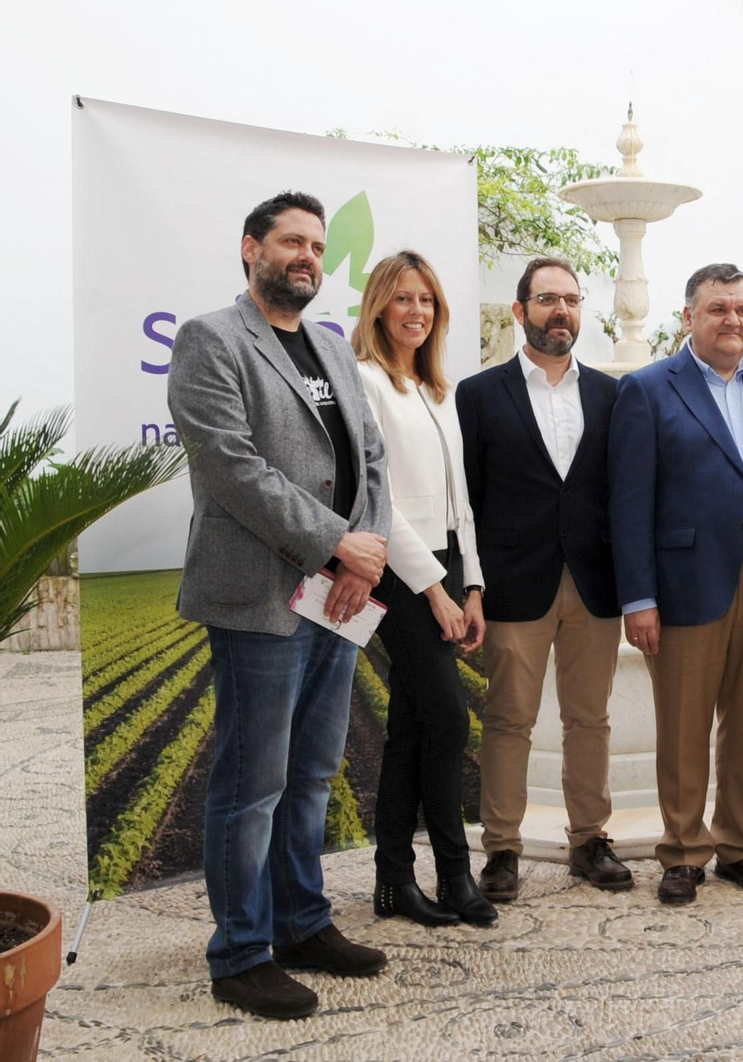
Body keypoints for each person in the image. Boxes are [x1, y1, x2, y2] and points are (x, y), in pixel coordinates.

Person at [168, 191, 390, 1020]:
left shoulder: (332, 348)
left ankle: (302, 922)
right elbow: (233, 469)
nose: (307, 256)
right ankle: (240, 952)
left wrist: (360, 557)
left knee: (311, 776)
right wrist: (340, 543)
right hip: (260, 596)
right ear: (250, 248)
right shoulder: (210, 340)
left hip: (337, 595)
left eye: (317, 245)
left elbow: (370, 458)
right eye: (291, 241)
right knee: (250, 783)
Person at [610, 263, 743, 905]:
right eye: (717, 309)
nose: (731, 321)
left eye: (741, 310)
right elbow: (628, 502)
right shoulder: (649, 390)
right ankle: (681, 852)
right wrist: (639, 598)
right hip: (683, 584)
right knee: (682, 725)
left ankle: (740, 847)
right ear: (689, 317)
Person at [456, 256, 629, 901]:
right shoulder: (477, 395)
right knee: (508, 720)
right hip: (513, 583)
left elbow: (624, 496)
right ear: (519, 310)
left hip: (593, 584)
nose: (562, 311)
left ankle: (589, 841)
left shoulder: (614, 395)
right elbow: (464, 503)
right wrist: (469, 585)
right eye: (548, 299)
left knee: (591, 719)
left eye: (572, 300)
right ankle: (501, 850)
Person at [354, 251, 497, 928]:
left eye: (428, 301)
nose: (416, 311)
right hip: (399, 568)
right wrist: (435, 589)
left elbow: (458, 501)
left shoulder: (437, 390)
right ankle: (455, 875)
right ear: (380, 305)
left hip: (445, 564)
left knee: (412, 728)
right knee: (447, 718)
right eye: (404, 299)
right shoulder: (366, 383)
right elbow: (377, 503)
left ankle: (393, 884)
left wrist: (471, 584)